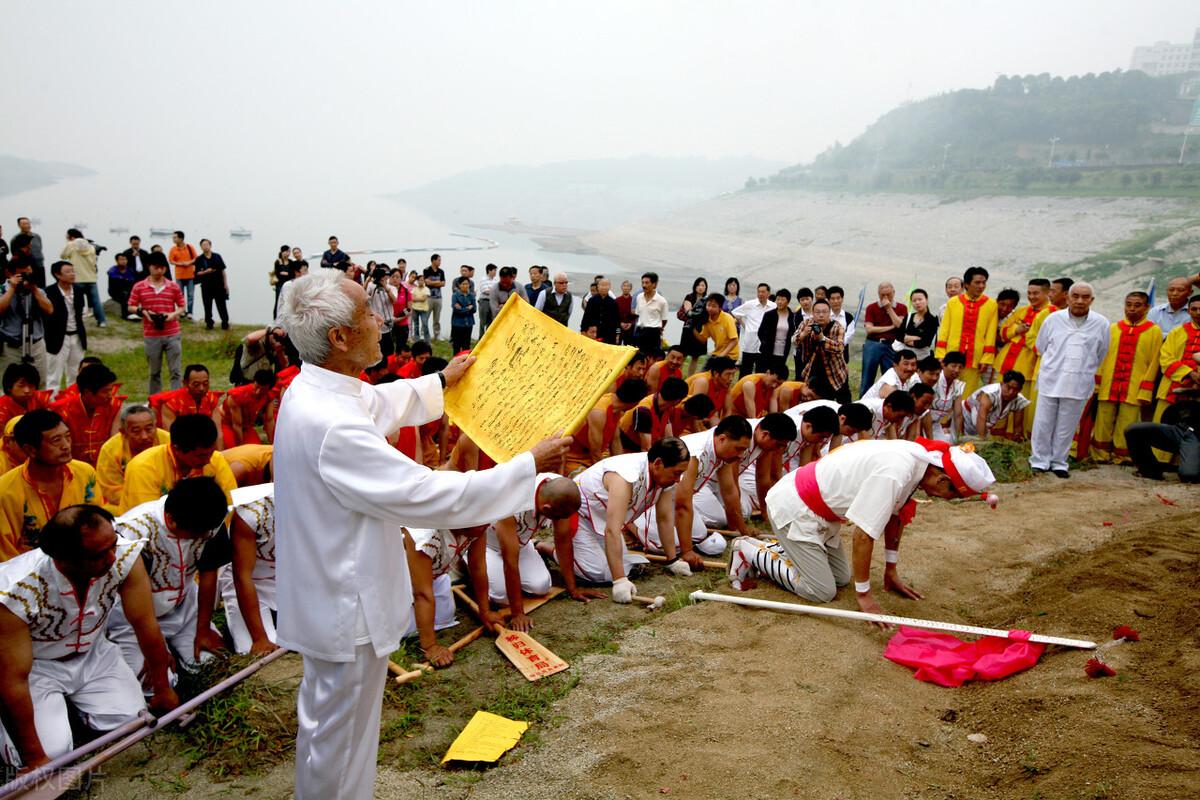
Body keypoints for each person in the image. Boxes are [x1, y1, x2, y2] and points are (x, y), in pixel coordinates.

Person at [271, 268, 570, 799]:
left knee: (336, 734)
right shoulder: (332, 422)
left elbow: (380, 405)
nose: (380, 319)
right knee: (337, 742)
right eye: (368, 311)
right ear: (339, 337)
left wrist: (441, 381)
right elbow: (431, 495)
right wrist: (527, 465)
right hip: (346, 603)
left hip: (333, 592)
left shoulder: (319, 389)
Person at [0, 505, 178, 769]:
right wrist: (34, 757)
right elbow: (14, 678)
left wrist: (163, 689)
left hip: (95, 653)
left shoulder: (125, 557)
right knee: (53, 754)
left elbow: (145, 624)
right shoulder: (15, 592)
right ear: (63, 559)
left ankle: (71, 711)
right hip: (38, 667)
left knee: (131, 720)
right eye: (98, 555)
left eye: (113, 545)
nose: (111, 559)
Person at [731, 439, 995, 613]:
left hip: (822, 511)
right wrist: (865, 596)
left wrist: (890, 569)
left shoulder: (919, 461)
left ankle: (785, 549)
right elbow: (863, 536)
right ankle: (750, 551)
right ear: (942, 479)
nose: (946, 501)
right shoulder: (896, 472)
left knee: (842, 579)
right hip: (795, 506)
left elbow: (896, 516)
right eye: (953, 495)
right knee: (821, 591)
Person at [107, 477, 231, 684]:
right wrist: (155, 652)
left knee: (213, 665)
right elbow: (133, 600)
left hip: (184, 607)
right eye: (197, 534)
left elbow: (209, 574)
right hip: (133, 619)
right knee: (152, 680)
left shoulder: (210, 521)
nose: (205, 536)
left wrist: (203, 630)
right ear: (172, 520)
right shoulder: (133, 532)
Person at [566, 439, 694, 592]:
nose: (678, 479)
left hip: (603, 517)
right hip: (578, 512)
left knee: (619, 563)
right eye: (677, 473)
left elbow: (664, 518)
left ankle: (587, 555)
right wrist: (619, 581)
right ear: (658, 463)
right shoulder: (625, 476)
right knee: (598, 572)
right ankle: (549, 550)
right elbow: (612, 530)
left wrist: (672, 560)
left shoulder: (664, 477)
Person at [635, 417, 753, 561]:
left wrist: (743, 531)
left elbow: (729, 492)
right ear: (722, 439)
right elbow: (682, 504)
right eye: (738, 449)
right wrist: (687, 551)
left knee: (700, 535)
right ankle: (631, 523)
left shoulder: (724, 453)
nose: (740, 455)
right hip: (651, 498)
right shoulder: (696, 453)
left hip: (670, 497)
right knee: (670, 546)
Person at [477, 476, 591, 618]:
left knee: (541, 586)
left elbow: (563, 541)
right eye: (558, 517)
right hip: (488, 546)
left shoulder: (557, 490)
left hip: (520, 543)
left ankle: (534, 545)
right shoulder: (512, 506)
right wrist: (518, 613)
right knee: (502, 597)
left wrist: (572, 588)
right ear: (547, 508)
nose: (561, 521)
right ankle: (466, 563)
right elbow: (510, 562)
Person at [1030, 283, 1110, 477]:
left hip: (1079, 381)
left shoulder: (1101, 323)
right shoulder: (1053, 319)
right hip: (1052, 377)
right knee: (1043, 422)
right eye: (1076, 296)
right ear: (1068, 298)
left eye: (1085, 297)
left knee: (1067, 425)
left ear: (1092, 300)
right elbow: (1041, 346)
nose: (1080, 301)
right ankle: (1039, 461)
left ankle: (1059, 463)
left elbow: (1101, 353)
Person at [0, 410, 100, 561]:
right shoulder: (6, 491)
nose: (66, 446)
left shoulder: (85, 473)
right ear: (30, 449)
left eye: (67, 436)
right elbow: (6, 556)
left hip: (84, 561)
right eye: (56, 440)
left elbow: (97, 524)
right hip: (29, 572)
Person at [693, 412, 803, 528]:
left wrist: (765, 513)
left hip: (719, 481)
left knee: (743, 512)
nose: (779, 449)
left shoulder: (765, 441)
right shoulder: (743, 437)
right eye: (779, 445)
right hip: (701, 480)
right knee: (721, 519)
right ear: (765, 435)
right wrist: (741, 526)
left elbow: (763, 478)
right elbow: (732, 480)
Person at [1092, 292, 1161, 463]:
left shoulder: (1154, 331)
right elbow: (1102, 356)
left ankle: (1123, 456)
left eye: (1137, 305)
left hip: (1134, 384)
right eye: (1128, 304)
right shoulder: (1113, 328)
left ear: (1147, 307)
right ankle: (1099, 454)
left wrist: (1145, 390)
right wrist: (1097, 382)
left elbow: (1154, 362)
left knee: (1128, 420)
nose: (1132, 308)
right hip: (1109, 381)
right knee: (1103, 419)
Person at [120, 413, 236, 512]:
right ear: (177, 448)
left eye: (211, 453)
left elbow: (231, 503)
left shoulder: (215, 458)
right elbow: (147, 516)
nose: (207, 461)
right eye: (200, 456)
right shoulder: (143, 468)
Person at [219, 485, 282, 655]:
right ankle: (236, 621)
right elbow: (242, 576)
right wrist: (259, 638)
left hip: (292, 581)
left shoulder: (321, 502)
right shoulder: (252, 512)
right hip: (250, 583)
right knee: (258, 652)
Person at [996, 278, 1056, 430]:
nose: (1031, 297)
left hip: (1028, 366)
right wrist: (1017, 330)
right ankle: (997, 434)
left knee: (1024, 403)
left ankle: (1018, 436)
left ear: (1047, 293)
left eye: (1036, 293)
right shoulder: (1022, 311)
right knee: (999, 398)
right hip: (1006, 362)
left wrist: (1017, 334)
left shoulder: (1053, 314)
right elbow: (1003, 332)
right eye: (1029, 293)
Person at [935, 266, 999, 396]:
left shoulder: (991, 304)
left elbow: (991, 334)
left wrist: (986, 358)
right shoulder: (953, 303)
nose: (981, 286)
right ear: (967, 284)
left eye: (984, 282)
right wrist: (941, 353)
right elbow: (944, 329)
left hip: (974, 358)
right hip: (951, 355)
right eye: (977, 282)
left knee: (967, 395)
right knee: (945, 393)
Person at [563, 380, 649, 474]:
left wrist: (620, 468)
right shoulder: (599, 412)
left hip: (595, 456)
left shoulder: (616, 409)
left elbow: (615, 441)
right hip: (573, 459)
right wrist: (605, 476)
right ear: (635, 402)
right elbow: (595, 452)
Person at [128, 252, 185, 396]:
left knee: (176, 371)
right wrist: (144, 312)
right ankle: (155, 401)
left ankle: (176, 399)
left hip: (172, 333)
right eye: (155, 267)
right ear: (149, 267)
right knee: (154, 372)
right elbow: (130, 306)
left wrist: (172, 315)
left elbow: (182, 306)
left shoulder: (173, 286)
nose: (159, 270)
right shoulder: (139, 286)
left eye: (162, 267)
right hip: (151, 334)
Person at [95, 405, 168, 509]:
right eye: (136, 431)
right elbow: (110, 488)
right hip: (127, 502)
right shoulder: (110, 449)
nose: (144, 436)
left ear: (155, 426)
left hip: (165, 501)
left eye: (149, 429)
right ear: (123, 432)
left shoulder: (167, 441)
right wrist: (141, 501)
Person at [49, 363, 121, 466]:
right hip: (70, 465)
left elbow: (115, 441)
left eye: (111, 390)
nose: (110, 396)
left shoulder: (114, 405)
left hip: (104, 465)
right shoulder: (61, 409)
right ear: (88, 392)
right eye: (105, 391)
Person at [0, 257, 53, 384]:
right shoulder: (3, 290)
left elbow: (49, 310)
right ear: (9, 273)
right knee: (9, 384)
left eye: (29, 274)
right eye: (22, 274)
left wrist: (34, 289)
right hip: (11, 345)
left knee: (39, 383)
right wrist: (12, 288)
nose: (25, 277)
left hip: (36, 345)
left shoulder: (37, 291)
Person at [1154, 294, 1200, 426]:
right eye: (1194, 309)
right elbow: (1165, 357)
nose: (1198, 313)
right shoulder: (1177, 332)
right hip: (1171, 387)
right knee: (1162, 425)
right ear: (1189, 311)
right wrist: (1189, 373)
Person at [1126, 399, 1199, 482]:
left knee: (1189, 475)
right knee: (1134, 431)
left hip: (1196, 436)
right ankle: (1150, 471)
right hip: (1182, 428)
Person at [44, 260, 87, 394]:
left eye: (73, 271)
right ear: (58, 275)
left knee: (75, 374)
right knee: (53, 375)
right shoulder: (49, 292)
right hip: (56, 337)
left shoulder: (79, 291)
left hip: (77, 335)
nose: (72, 274)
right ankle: (51, 405)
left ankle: (73, 404)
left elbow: (81, 313)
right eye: (68, 272)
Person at [796, 299, 849, 404]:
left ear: (829, 313)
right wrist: (803, 335)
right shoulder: (806, 323)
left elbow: (839, 347)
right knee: (809, 400)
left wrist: (822, 338)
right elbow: (794, 340)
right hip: (812, 368)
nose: (821, 315)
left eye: (824, 312)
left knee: (839, 402)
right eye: (817, 312)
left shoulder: (837, 327)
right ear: (812, 313)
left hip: (835, 371)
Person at [860, 282, 907, 396]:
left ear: (894, 293)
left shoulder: (901, 308)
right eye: (882, 295)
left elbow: (900, 325)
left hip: (892, 345)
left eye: (888, 294)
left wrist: (889, 308)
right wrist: (891, 327)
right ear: (878, 294)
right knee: (867, 377)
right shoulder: (872, 307)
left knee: (891, 377)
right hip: (873, 343)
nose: (885, 297)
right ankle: (862, 403)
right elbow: (870, 329)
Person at [619, 376, 688, 452]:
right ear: (677, 401)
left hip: (642, 445)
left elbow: (669, 437)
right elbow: (646, 448)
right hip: (627, 450)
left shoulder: (666, 406)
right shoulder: (644, 411)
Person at [156, 364, 223, 437]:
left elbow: (218, 432)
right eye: (196, 384)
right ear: (185, 383)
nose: (201, 388)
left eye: (205, 384)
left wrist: (220, 449)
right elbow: (170, 435)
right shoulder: (171, 402)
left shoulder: (211, 399)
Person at [962, 372, 1030, 440]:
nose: (1011, 392)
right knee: (966, 441)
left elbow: (1018, 426)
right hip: (966, 415)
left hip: (985, 422)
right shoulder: (989, 394)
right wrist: (982, 440)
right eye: (1008, 387)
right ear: (1002, 384)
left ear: (1020, 389)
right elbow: (981, 418)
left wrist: (1017, 439)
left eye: (1015, 389)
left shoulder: (1020, 401)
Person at [59, 229, 104, 328]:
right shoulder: (91, 246)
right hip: (91, 277)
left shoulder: (71, 245)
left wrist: (69, 244)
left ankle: (77, 320)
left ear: (71, 237)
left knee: (77, 301)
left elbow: (62, 255)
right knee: (96, 301)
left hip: (77, 277)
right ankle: (101, 321)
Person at [221, 370, 277, 446]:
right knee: (233, 450)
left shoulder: (269, 395)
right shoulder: (237, 395)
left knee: (256, 451)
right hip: (227, 424)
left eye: (263, 390)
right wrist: (241, 447)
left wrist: (273, 444)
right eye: (256, 387)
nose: (258, 392)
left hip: (246, 427)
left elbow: (269, 420)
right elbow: (237, 425)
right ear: (254, 382)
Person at [731, 283, 772, 376]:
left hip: (764, 344)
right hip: (750, 342)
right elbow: (735, 312)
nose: (760, 294)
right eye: (759, 292)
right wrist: (745, 325)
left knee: (761, 371)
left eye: (763, 292)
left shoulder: (773, 306)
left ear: (768, 293)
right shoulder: (750, 304)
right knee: (745, 370)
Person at [686, 355, 738, 426]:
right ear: (716, 374)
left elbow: (728, 411)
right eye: (728, 374)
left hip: (707, 417)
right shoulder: (703, 382)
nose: (731, 378)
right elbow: (694, 412)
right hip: (687, 420)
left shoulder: (725, 385)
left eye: (733, 374)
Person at [755, 287, 794, 374]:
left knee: (777, 376)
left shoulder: (792, 316)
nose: (779, 302)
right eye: (778, 299)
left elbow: (792, 333)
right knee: (764, 375)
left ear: (788, 301)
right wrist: (765, 343)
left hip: (782, 351)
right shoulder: (769, 315)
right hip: (767, 351)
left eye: (782, 299)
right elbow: (760, 332)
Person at [1148, 274, 1200, 338]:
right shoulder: (1155, 311)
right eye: (1171, 290)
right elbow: (1149, 334)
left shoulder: (1196, 311)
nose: (1174, 294)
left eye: (1180, 290)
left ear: (1190, 292)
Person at [930, 352, 967, 442]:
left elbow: (958, 415)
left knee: (947, 447)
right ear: (943, 365)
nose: (957, 370)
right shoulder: (934, 378)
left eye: (960, 367)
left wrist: (958, 439)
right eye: (953, 366)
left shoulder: (958, 385)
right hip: (921, 423)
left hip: (935, 425)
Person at [693, 292, 740, 361]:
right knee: (704, 371)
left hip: (730, 355)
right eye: (708, 305)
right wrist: (693, 328)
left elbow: (734, 340)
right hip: (717, 353)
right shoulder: (707, 319)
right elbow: (703, 339)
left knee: (714, 370)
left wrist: (722, 355)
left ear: (720, 308)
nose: (710, 308)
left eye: (714, 306)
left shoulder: (727, 318)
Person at [676, 278, 710, 376]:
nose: (700, 287)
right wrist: (699, 314)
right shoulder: (689, 296)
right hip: (689, 329)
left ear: (706, 287)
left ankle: (690, 378)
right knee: (684, 355)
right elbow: (688, 311)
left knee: (696, 357)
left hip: (701, 330)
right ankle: (678, 376)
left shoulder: (707, 299)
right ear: (695, 286)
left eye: (703, 285)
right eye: (698, 285)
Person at [194, 239, 229, 330]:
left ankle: (225, 323)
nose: (205, 246)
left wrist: (226, 285)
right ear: (201, 247)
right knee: (207, 305)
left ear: (210, 245)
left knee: (222, 305)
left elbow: (223, 271)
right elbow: (197, 273)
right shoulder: (199, 259)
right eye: (203, 245)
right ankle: (209, 323)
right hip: (206, 286)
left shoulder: (217, 257)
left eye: (207, 244)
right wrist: (206, 272)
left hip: (219, 285)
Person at [897, 289, 938, 360]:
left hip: (923, 358)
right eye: (914, 301)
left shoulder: (933, 320)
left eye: (920, 299)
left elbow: (924, 342)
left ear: (926, 300)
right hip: (906, 357)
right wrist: (916, 338)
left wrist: (906, 338)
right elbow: (899, 336)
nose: (917, 303)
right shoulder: (909, 316)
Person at [167, 231, 197, 318]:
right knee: (180, 295)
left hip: (190, 275)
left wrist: (189, 262)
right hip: (179, 275)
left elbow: (195, 258)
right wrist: (180, 264)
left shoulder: (190, 247)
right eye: (173, 237)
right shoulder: (173, 249)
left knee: (190, 295)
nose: (173, 239)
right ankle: (182, 311)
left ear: (181, 238)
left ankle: (190, 312)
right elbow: (171, 261)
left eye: (175, 237)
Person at [580, 277, 619, 343]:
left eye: (606, 285)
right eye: (602, 285)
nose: (604, 287)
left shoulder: (613, 302)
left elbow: (617, 321)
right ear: (598, 286)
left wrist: (618, 335)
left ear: (609, 287)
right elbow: (586, 318)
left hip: (609, 335)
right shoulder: (592, 301)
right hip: (594, 334)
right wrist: (583, 331)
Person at [107, 253, 140, 320]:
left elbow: (133, 281)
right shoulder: (113, 270)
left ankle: (136, 313)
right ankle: (126, 315)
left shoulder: (130, 270)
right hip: (115, 291)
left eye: (125, 259)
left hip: (127, 290)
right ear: (117, 261)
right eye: (121, 260)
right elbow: (116, 280)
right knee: (124, 296)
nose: (123, 261)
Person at [15, 218, 46, 287]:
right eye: (24, 224)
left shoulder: (36, 236)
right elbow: (15, 254)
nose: (27, 225)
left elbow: (39, 248)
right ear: (19, 225)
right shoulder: (16, 238)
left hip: (39, 266)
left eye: (28, 223)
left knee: (42, 288)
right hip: (27, 268)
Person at [450, 277, 477, 353]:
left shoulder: (471, 296)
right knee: (457, 345)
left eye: (467, 284)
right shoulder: (455, 295)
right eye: (463, 284)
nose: (465, 286)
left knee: (466, 345)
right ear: (459, 285)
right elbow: (456, 310)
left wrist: (462, 308)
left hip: (469, 323)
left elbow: (474, 309)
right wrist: (468, 308)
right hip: (457, 323)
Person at [423, 254, 447, 340]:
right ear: (433, 260)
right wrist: (437, 282)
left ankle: (437, 335)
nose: (440, 262)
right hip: (429, 297)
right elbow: (427, 282)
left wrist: (433, 282)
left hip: (438, 298)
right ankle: (423, 334)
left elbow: (443, 283)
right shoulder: (426, 270)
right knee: (425, 317)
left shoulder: (441, 271)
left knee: (437, 318)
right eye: (439, 260)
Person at [272, 245, 293, 318]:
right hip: (279, 285)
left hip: (288, 285)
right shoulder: (278, 261)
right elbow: (278, 273)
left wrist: (284, 273)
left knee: (287, 302)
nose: (288, 253)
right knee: (278, 302)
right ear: (282, 252)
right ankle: (276, 319)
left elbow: (291, 274)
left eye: (289, 251)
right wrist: (286, 273)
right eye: (287, 251)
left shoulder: (291, 262)